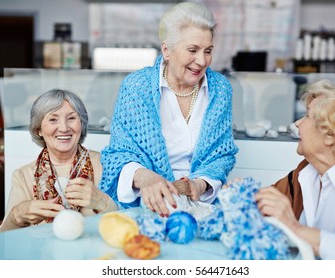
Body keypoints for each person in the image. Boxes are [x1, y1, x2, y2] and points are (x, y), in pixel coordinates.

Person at [99, 2, 238, 216]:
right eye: (192, 50)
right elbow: (118, 154)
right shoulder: (137, 86)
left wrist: (199, 185)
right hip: (147, 206)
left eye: (208, 51)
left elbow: (223, 156)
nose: (202, 61)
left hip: (201, 207)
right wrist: (146, 177)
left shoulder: (220, 89)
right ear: (167, 50)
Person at [255, 80, 335, 259]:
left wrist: (295, 229)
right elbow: (261, 208)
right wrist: (241, 194)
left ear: (331, 134)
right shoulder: (306, 172)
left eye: (307, 116)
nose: (297, 123)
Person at [0, 89, 118, 232]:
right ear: (38, 130)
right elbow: (3, 240)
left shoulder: (107, 164)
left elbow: (129, 225)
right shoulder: (23, 176)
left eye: (72, 118)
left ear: (82, 124)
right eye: (53, 119)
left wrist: (102, 202)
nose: (64, 128)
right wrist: (17, 215)